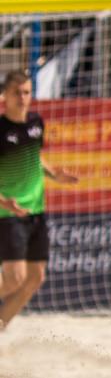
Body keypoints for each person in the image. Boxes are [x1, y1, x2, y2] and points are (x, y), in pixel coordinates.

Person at [0, 71, 79, 330]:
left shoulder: (36, 123)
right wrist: (4, 201)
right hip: (8, 213)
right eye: (16, 92)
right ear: (5, 96)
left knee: (35, 277)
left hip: (36, 210)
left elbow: (34, 157)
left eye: (26, 92)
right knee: (14, 278)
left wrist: (54, 174)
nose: (22, 97)